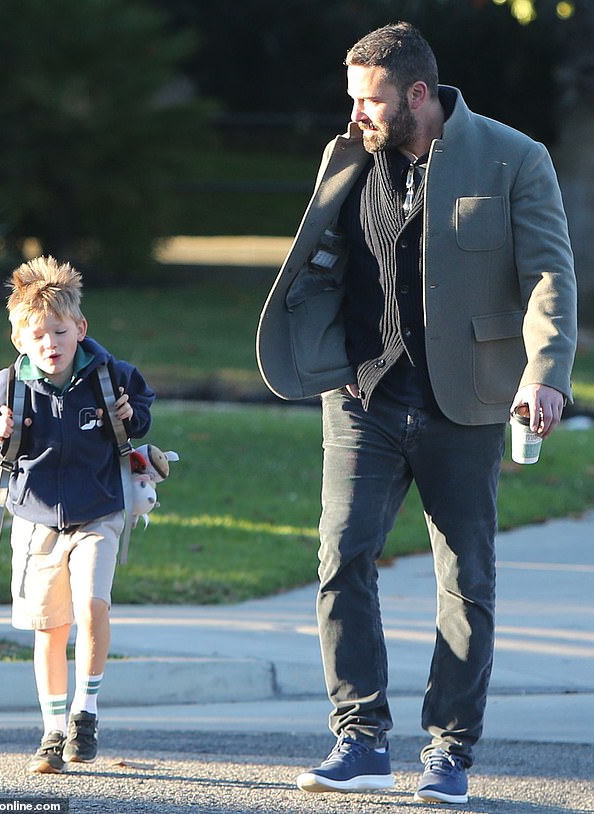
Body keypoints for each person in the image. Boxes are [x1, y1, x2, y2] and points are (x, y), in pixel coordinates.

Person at [256, 21, 577, 805]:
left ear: (419, 95)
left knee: (466, 580)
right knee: (339, 558)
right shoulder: (348, 158)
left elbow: (548, 275)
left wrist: (545, 373)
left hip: (464, 403)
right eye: (354, 98)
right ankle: (360, 739)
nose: (358, 113)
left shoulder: (512, 158)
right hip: (362, 395)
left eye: (372, 100)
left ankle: (450, 752)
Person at [0, 256, 155, 774]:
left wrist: (130, 415)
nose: (50, 343)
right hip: (35, 522)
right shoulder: (10, 385)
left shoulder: (108, 375)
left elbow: (141, 407)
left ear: (80, 328)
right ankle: (53, 731)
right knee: (49, 629)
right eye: (38, 335)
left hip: (99, 510)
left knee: (92, 604)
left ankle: (85, 711)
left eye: (59, 330)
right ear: (20, 341)